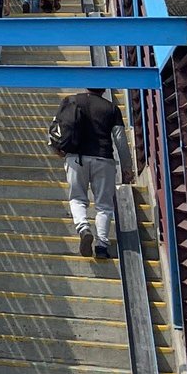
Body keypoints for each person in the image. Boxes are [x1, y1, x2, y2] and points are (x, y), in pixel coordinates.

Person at [54, 86, 130, 259]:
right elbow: (120, 140)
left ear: (86, 86)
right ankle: (102, 246)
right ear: (104, 90)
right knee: (104, 205)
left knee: (77, 198)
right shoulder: (111, 108)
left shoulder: (70, 101)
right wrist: (127, 168)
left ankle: (83, 228)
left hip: (75, 158)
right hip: (103, 159)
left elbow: (56, 128)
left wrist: (56, 148)